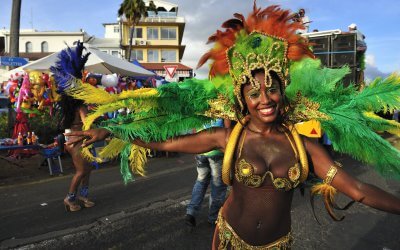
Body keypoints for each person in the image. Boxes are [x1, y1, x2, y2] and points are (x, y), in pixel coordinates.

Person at [64, 4, 400, 248]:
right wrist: (109, 131)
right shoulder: (228, 138)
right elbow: (164, 142)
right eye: (254, 92)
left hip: (277, 245)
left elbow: (357, 190)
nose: (264, 98)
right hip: (230, 240)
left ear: (283, 92)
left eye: (272, 88)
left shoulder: (304, 147)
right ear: (242, 99)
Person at [51, 43, 95, 212]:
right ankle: (69, 198)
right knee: (82, 170)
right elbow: (88, 124)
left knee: (88, 169)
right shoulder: (80, 107)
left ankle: (83, 195)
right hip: (77, 141)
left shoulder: (68, 107)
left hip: (74, 140)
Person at [185, 119, 228, 228]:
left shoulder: (200, 106)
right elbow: (227, 131)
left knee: (201, 181)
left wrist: (194, 148)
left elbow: (194, 129)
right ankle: (214, 218)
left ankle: (191, 213)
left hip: (201, 150)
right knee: (218, 185)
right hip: (217, 152)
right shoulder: (223, 105)